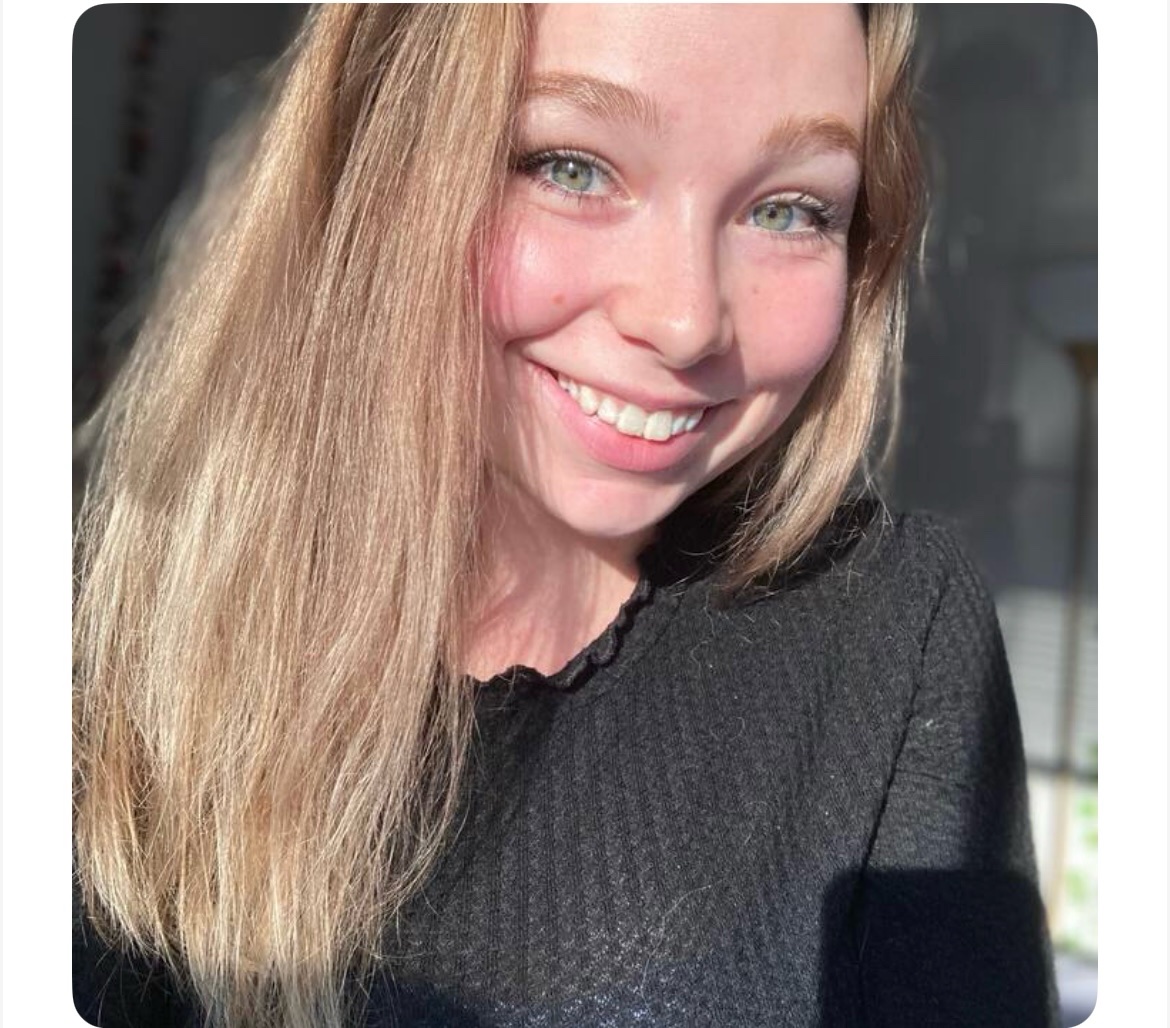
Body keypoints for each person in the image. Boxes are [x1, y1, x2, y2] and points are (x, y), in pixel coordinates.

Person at [73, 4, 1058, 1027]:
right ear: (375, 172)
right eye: (571, 168)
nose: (685, 321)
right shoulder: (109, 657)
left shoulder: (889, 635)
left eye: (789, 210)